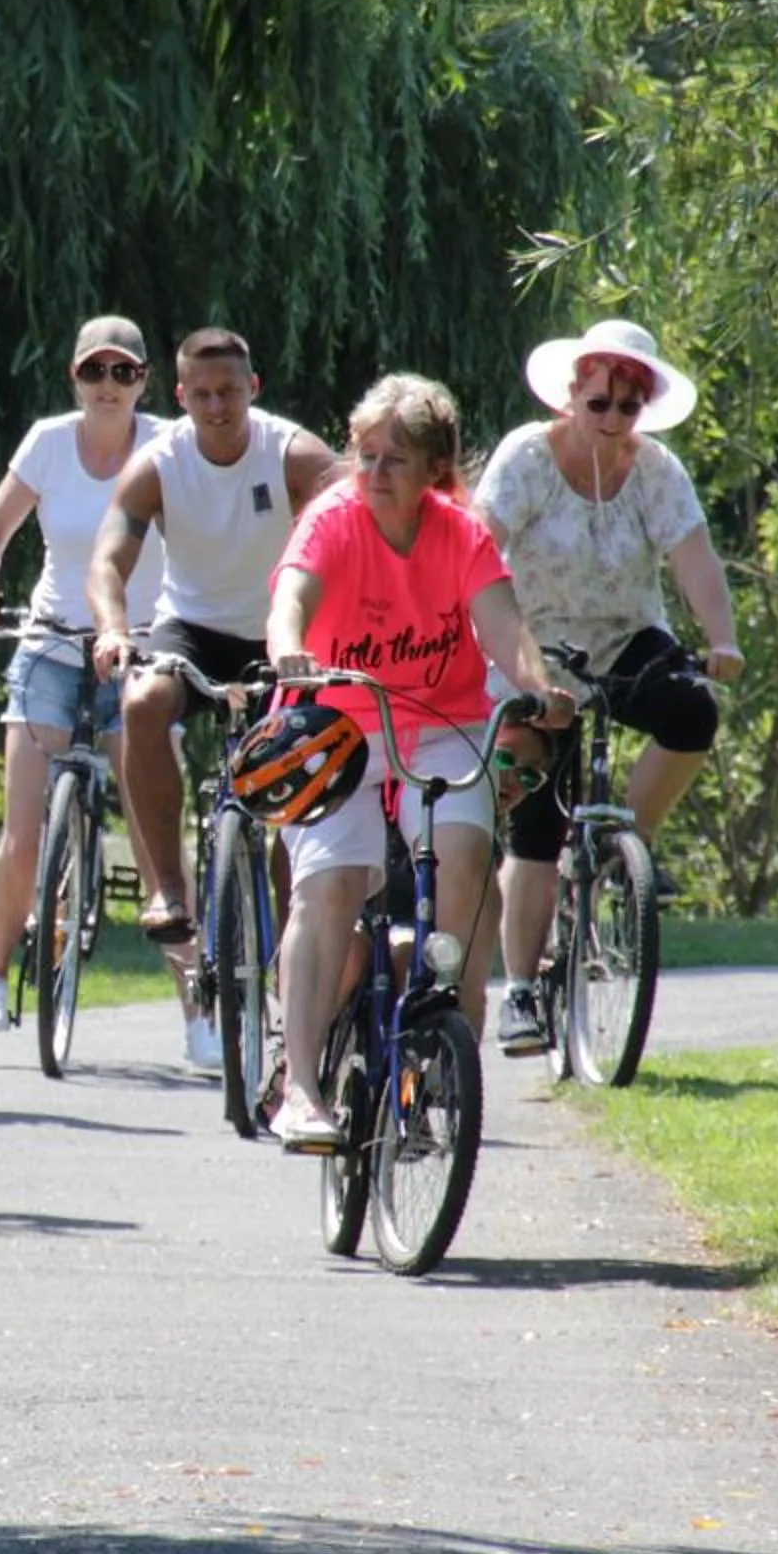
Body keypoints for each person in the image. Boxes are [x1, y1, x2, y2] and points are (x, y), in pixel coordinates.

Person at [262, 373, 574, 1149]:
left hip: (438, 724)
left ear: (435, 469)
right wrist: (291, 652)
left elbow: (503, 623)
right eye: (364, 455)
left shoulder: (461, 533)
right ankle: (301, 1090)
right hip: (334, 724)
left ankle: (442, 1034)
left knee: (464, 856)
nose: (372, 473)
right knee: (328, 887)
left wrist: (538, 689)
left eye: (393, 459)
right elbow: (290, 598)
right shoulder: (332, 519)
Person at [472, 318, 743, 1057]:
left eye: (628, 409)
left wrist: (722, 639)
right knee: (535, 822)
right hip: (536, 645)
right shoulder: (526, 458)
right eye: (599, 405)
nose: (613, 422)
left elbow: (695, 560)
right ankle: (522, 993)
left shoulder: (655, 470)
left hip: (624, 638)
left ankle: (631, 842)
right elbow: (479, 545)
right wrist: (502, 656)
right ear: (572, 395)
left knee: (691, 710)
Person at [88, 326, 340, 1068]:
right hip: (190, 626)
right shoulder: (157, 465)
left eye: (229, 391)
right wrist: (111, 630)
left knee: (301, 777)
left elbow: (351, 516)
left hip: (281, 631)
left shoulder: (292, 451)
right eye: (201, 394)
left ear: (252, 389)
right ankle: (170, 891)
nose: (217, 406)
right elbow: (109, 558)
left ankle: (300, 928)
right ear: (179, 397)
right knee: (140, 704)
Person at [0, 314, 170, 1031]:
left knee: (152, 828)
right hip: (50, 638)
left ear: (143, 382)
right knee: (23, 826)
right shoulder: (47, 442)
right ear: (75, 378)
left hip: (137, 647)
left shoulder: (169, 447)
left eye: (124, 372)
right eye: (95, 371)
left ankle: (198, 1000)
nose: (109, 385)